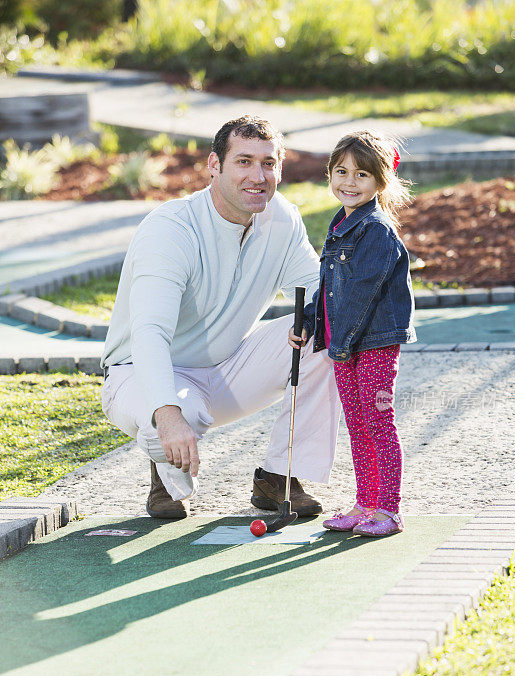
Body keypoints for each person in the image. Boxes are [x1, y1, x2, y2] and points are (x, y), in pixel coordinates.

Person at [101, 116, 341, 519]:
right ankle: (167, 481)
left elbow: (317, 292)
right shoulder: (170, 229)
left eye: (268, 163)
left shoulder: (281, 218)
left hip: (227, 369)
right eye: (243, 161)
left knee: (325, 335)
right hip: (138, 374)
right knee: (180, 415)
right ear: (215, 165)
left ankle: (278, 476)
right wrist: (167, 411)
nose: (258, 176)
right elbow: (150, 334)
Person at [289, 130, 416, 537]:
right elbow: (330, 287)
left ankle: (388, 511)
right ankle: (365, 504)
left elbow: (361, 294)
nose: (349, 181)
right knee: (358, 423)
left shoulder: (376, 230)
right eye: (341, 171)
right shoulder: (340, 223)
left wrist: (339, 345)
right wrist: (310, 322)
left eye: (361, 174)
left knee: (378, 419)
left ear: (381, 181)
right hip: (344, 341)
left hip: (374, 340)